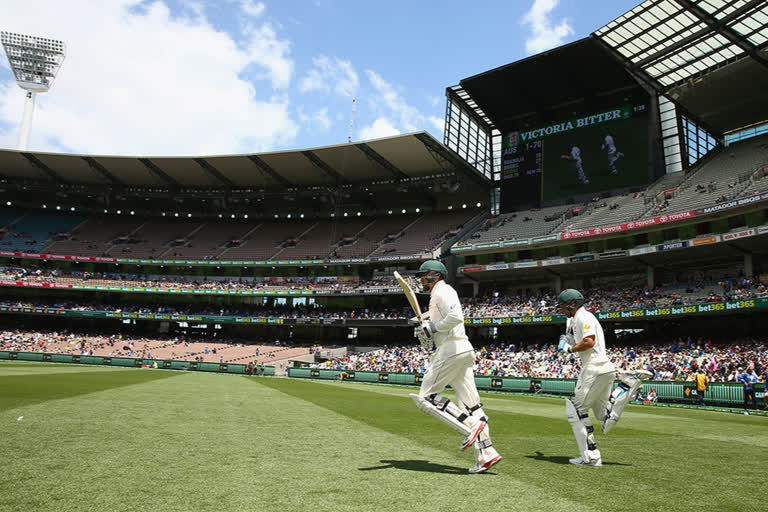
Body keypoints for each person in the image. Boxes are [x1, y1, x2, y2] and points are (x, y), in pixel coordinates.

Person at [407, 259, 501, 474]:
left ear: (435, 275)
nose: (421, 279)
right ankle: (487, 453)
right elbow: (440, 317)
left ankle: (468, 424)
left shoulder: (443, 291)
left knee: (426, 398)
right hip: (462, 349)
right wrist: (423, 322)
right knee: (473, 406)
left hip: (451, 349)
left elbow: (456, 317)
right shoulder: (438, 294)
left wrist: (433, 328)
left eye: (424, 275)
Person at [556, 289, 651, 466]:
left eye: (563, 307)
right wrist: (566, 341)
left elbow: (589, 342)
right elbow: (573, 337)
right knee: (603, 415)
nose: (561, 310)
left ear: (571, 305)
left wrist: (569, 349)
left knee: (577, 411)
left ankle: (590, 456)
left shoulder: (584, 317)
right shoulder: (576, 319)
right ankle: (626, 386)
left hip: (595, 368)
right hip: (604, 369)